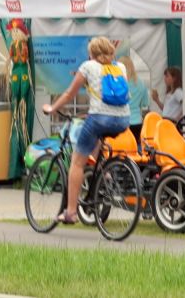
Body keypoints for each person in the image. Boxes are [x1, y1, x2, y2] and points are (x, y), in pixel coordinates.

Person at [41, 36, 130, 224]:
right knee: (96, 138)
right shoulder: (120, 67)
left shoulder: (88, 66)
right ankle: (103, 173)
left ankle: (71, 212)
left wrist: (52, 108)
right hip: (123, 120)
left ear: (91, 53)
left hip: (99, 118)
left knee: (77, 162)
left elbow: (69, 94)